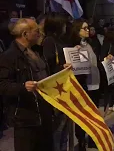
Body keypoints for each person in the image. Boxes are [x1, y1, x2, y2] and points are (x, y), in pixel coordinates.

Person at [0, 18, 54, 151]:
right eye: (37, 31)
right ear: (25, 34)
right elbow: (3, 85)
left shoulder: (37, 51)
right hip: (26, 118)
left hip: (45, 113)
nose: (40, 34)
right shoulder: (9, 57)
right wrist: (23, 87)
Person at [67, 19, 101, 150]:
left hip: (95, 81)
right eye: (85, 28)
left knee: (94, 113)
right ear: (77, 30)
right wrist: (74, 52)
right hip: (83, 84)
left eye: (88, 28)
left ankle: (93, 138)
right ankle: (81, 141)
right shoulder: (72, 45)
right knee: (82, 114)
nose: (88, 30)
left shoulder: (90, 43)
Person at [42, 13, 69, 151]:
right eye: (63, 24)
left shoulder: (60, 40)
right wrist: (61, 67)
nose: (66, 27)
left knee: (64, 129)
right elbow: (48, 66)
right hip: (55, 89)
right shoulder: (49, 41)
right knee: (57, 129)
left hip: (64, 87)